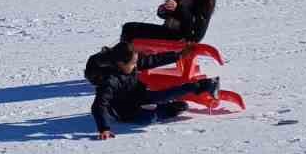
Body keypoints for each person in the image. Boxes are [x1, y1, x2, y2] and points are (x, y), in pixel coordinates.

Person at [85, 41, 218, 140]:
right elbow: (99, 105)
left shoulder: (129, 63)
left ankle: (201, 85)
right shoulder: (110, 81)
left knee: (160, 95)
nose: (136, 65)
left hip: (136, 93)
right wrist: (104, 128)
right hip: (123, 110)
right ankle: (168, 110)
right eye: (133, 63)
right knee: (146, 120)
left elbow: (153, 60)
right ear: (121, 64)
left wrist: (179, 55)